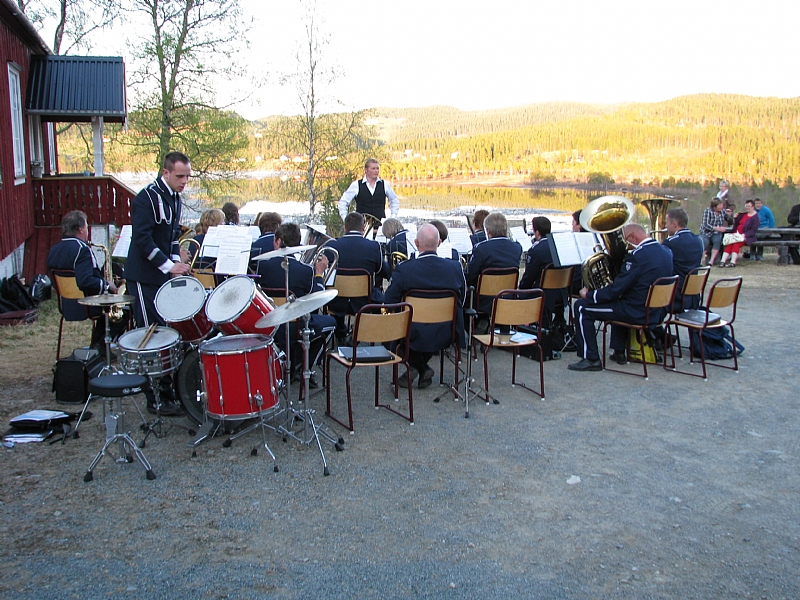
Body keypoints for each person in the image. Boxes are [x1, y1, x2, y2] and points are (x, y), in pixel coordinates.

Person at [124, 151, 192, 416]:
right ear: (165, 173)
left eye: (187, 176)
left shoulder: (175, 198)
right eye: (179, 176)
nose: (184, 181)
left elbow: (173, 235)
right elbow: (142, 239)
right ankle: (154, 398)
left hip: (162, 275)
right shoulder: (146, 198)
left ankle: (168, 390)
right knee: (150, 334)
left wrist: (177, 263)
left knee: (167, 330)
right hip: (143, 276)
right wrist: (168, 265)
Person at [568, 223, 673, 372]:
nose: (625, 245)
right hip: (657, 311)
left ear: (632, 237)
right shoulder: (666, 251)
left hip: (637, 312)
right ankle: (618, 351)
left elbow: (616, 289)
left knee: (581, 307)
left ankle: (591, 358)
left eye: (625, 240)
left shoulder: (638, 256)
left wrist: (590, 295)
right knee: (616, 302)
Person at [384, 224, 466, 389]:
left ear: (416, 243)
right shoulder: (455, 268)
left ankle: (417, 366)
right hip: (446, 331)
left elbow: (390, 302)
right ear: (439, 243)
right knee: (428, 332)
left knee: (387, 334)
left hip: (411, 332)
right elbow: (462, 299)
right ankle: (422, 367)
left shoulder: (404, 269)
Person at [255, 223, 335, 387]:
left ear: (277, 241)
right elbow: (316, 298)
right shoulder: (305, 270)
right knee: (330, 324)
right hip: (294, 327)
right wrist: (319, 273)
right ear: (299, 244)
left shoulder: (261, 266)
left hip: (268, 324)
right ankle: (305, 367)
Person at [47, 210, 125, 354]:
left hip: (66, 305)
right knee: (123, 309)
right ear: (81, 229)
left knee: (110, 305)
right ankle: (101, 347)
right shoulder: (81, 250)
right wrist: (108, 285)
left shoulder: (54, 250)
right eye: (87, 225)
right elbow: (85, 281)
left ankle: (97, 344)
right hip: (85, 305)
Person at [324, 212, 391, 340]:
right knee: (379, 295)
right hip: (365, 302)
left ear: (345, 228)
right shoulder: (373, 246)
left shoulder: (331, 245)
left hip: (336, 302)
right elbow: (383, 271)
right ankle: (363, 334)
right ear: (363, 228)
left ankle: (340, 333)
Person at [464, 211, 522, 316]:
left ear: (488, 231)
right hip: (507, 297)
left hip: (483, 301)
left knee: (460, 300)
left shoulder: (481, 248)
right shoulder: (517, 248)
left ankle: (471, 327)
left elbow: (469, 277)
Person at [337, 158, 399, 235]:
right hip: (361, 229)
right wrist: (347, 221)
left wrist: (392, 218)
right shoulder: (356, 185)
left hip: (380, 229)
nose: (376, 171)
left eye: (377, 168)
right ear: (366, 170)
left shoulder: (385, 184)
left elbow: (394, 201)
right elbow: (342, 203)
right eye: (373, 168)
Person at [520, 216, 566, 316]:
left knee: (517, 296)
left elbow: (529, 277)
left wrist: (521, 288)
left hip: (542, 294)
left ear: (537, 232)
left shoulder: (536, 250)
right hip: (561, 293)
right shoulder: (560, 246)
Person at [662, 207, 704, 309]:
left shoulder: (671, 242)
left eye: (667, 223)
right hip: (693, 296)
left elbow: (661, 264)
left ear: (674, 223)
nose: (665, 226)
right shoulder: (698, 240)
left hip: (676, 296)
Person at [719, 200, 759, 268]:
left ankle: (733, 262)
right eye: (746, 206)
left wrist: (745, 234)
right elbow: (736, 224)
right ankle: (722, 261)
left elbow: (753, 230)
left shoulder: (755, 218)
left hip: (745, 236)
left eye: (749, 206)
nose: (747, 208)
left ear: (753, 207)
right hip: (736, 234)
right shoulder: (742, 215)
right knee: (729, 243)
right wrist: (735, 218)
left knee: (736, 244)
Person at [699, 199, 731, 267]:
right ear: (714, 206)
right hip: (706, 232)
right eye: (720, 205)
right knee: (704, 241)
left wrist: (729, 215)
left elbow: (730, 221)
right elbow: (705, 224)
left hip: (716, 233)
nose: (722, 206)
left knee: (717, 241)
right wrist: (715, 228)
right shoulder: (708, 211)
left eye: (722, 205)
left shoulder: (723, 211)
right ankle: (701, 260)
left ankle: (711, 261)